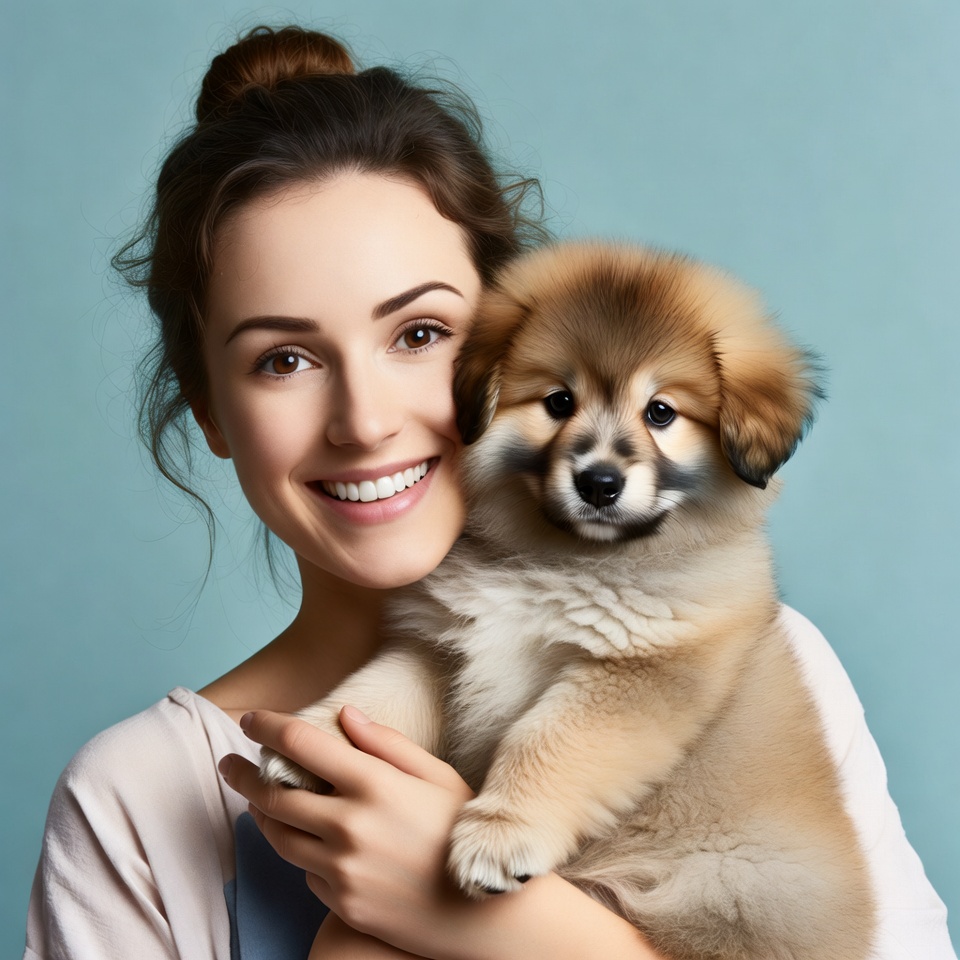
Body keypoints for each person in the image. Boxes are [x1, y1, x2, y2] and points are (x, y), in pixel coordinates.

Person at [24, 24, 954, 960]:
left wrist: (528, 933)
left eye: (420, 334)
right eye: (285, 358)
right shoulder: (138, 798)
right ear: (213, 414)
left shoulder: (757, 659)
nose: (364, 420)